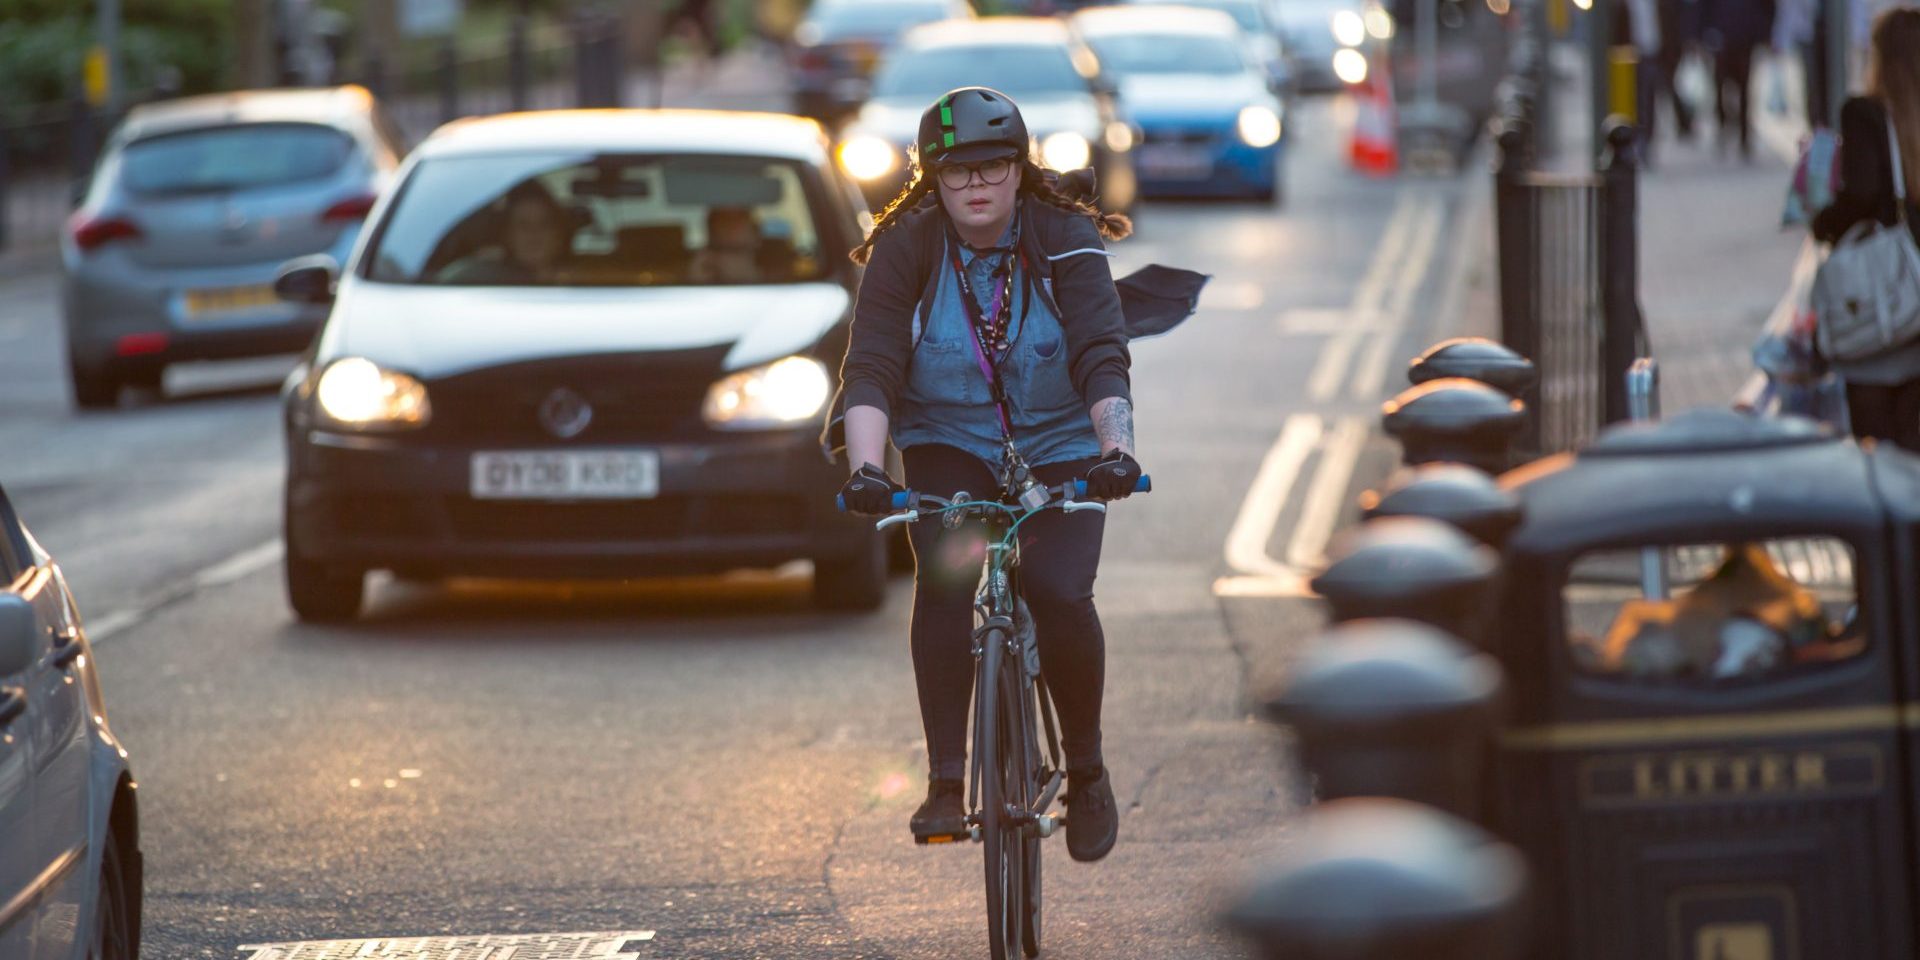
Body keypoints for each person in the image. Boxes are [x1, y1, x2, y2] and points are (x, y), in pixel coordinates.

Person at [835, 87, 1142, 863]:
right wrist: (870, 470)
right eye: (956, 171)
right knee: (944, 576)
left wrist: (1115, 452)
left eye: (993, 166)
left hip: (1063, 438)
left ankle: (1088, 769)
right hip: (948, 437)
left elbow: (1101, 352)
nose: (976, 185)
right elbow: (869, 369)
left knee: (1062, 589)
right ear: (932, 180)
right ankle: (946, 778)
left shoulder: (1063, 233)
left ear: (1019, 168)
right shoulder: (907, 243)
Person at [1812, 6, 1920, 448]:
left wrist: (1821, 219)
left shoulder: (1865, 115)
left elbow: (1860, 194)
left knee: (1877, 455)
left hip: (1882, 311)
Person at [441, 181, 573, 285]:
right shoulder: (472, 278)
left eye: (544, 224)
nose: (534, 233)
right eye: (523, 225)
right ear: (507, 234)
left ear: (558, 235)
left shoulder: (585, 282)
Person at [1701, 0, 1777, 158]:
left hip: (1745, 37)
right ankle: (1723, 127)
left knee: (1744, 89)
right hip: (1721, 37)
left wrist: (1765, 34)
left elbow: (1766, 6)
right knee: (1720, 87)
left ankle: (1744, 136)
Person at [690, 206, 763, 284]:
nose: (732, 227)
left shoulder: (770, 267)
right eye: (724, 221)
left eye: (738, 219)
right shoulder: (704, 261)